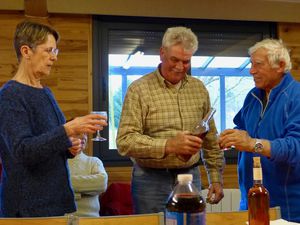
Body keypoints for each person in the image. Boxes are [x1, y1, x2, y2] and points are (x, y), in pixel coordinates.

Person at [0, 20, 107, 217]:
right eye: (49, 50)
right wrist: (68, 130)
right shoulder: (10, 95)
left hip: (55, 200)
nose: (54, 57)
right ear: (26, 51)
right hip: (27, 207)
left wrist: (70, 146)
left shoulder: (45, 92)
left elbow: (51, 142)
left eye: (55, 51)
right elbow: (22, 151)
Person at [116, 26, 225, 214]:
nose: (180, 67)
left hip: (191, 176)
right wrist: (169, 145)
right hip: (150, 180)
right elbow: (125, 142)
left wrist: (215, 178)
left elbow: (211, 139)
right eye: (174, 59)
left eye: (186, 61)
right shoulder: (139, 90)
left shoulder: (199, 89)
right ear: (162, 53)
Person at [219, 39, 300, 222]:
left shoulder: (296, 98)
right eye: (251, 64)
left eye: (258, 65)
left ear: (280, 66)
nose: (251, 70)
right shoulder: (253, 96)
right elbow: (243, 129)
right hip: (251, 203)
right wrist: (230, 137)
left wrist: (250, 143)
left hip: (288, 211)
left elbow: (296, 147)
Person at [68, 133, 108, 217]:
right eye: (78, 133)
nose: (83, 137)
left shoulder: (94, 161)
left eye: (85, 133)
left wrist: (70, 191)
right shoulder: (56, 163)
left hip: (91, 218)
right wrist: (86, 190)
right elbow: (51, 186)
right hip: (62, 219)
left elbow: (101, 183)